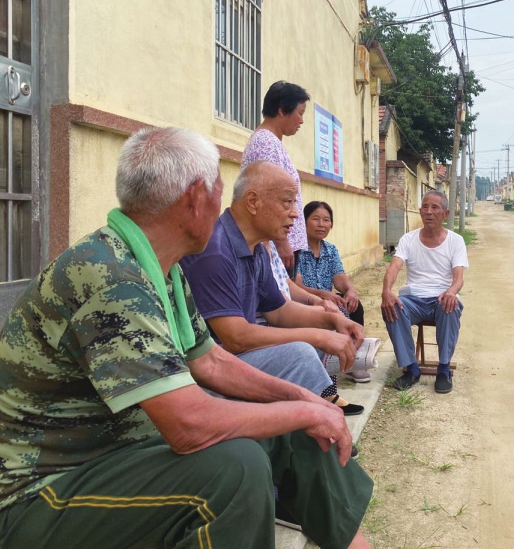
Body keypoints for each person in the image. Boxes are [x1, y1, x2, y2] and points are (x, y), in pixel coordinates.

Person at [0, 127, 373, 549]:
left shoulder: (164, 268)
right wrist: (304, 411)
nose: (223, 204)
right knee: (236, 469)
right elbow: (187, 426)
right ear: (196, 197)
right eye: (219, 188)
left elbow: (209, 360)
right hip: (42, 492)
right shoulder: (109, 275)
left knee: (287, 420)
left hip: (117, 453)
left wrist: (302, 400)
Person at [180, 161, 365, 416]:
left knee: (316, 338)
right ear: (253, 202)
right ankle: (317, 427)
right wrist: (316, 335)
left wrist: (332, 320)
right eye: (287, 202)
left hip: (235, 357)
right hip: (211, 368)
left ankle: (315, 424)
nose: (295, 214)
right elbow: (235, 338)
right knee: (300, 353)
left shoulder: (256, 247)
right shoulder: (215, 249)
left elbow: (279, 310)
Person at [381, 190, 468, 394]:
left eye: (435, 207)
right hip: (414, 299)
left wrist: (451, 292)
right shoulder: (408, 239)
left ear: (445, 214)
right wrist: (386, 291)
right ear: (420, 211)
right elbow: (394, 267)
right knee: (392, 305)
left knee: (450, 305)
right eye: (425, 207)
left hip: (441, 297)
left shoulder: (455, 241)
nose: (429, 212)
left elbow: (459, 277)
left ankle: (443, 369)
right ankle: (411, 368)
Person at [296, 200, 370, 383]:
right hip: (303, 301)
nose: (321, 224)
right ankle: (329, 363)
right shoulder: (295, 250)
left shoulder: (331, 250)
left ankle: (353, 359)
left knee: (354, 306)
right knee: (333, 309)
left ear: (332, 224)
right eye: (315, 219)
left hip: (328, 300)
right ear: (304, 222)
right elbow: (295, 286)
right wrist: (322, 295)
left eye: (326, 220)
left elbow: (340, 279)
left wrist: (350, 291)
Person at [242, 80, 310, 278]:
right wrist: (281, 242)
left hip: (282, 241)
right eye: (300, 113)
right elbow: (269, 196)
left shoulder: (272, 142)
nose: (301, 121)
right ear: (282, 110)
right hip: (277, 244)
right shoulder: (265, 143)